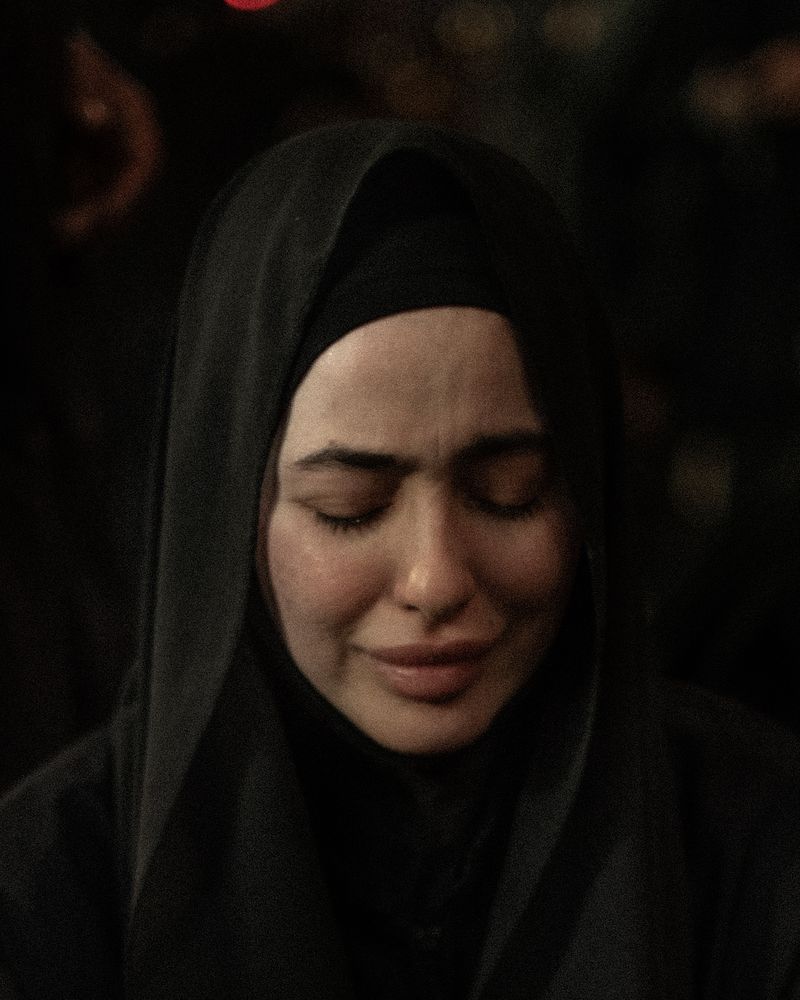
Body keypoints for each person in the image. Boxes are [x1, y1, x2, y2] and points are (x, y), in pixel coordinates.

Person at [1, 120, 798, 999]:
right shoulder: (48, 891)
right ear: (226, 514)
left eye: (511, 492)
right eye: (351, 510)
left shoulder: (758, 843)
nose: (436, 580)